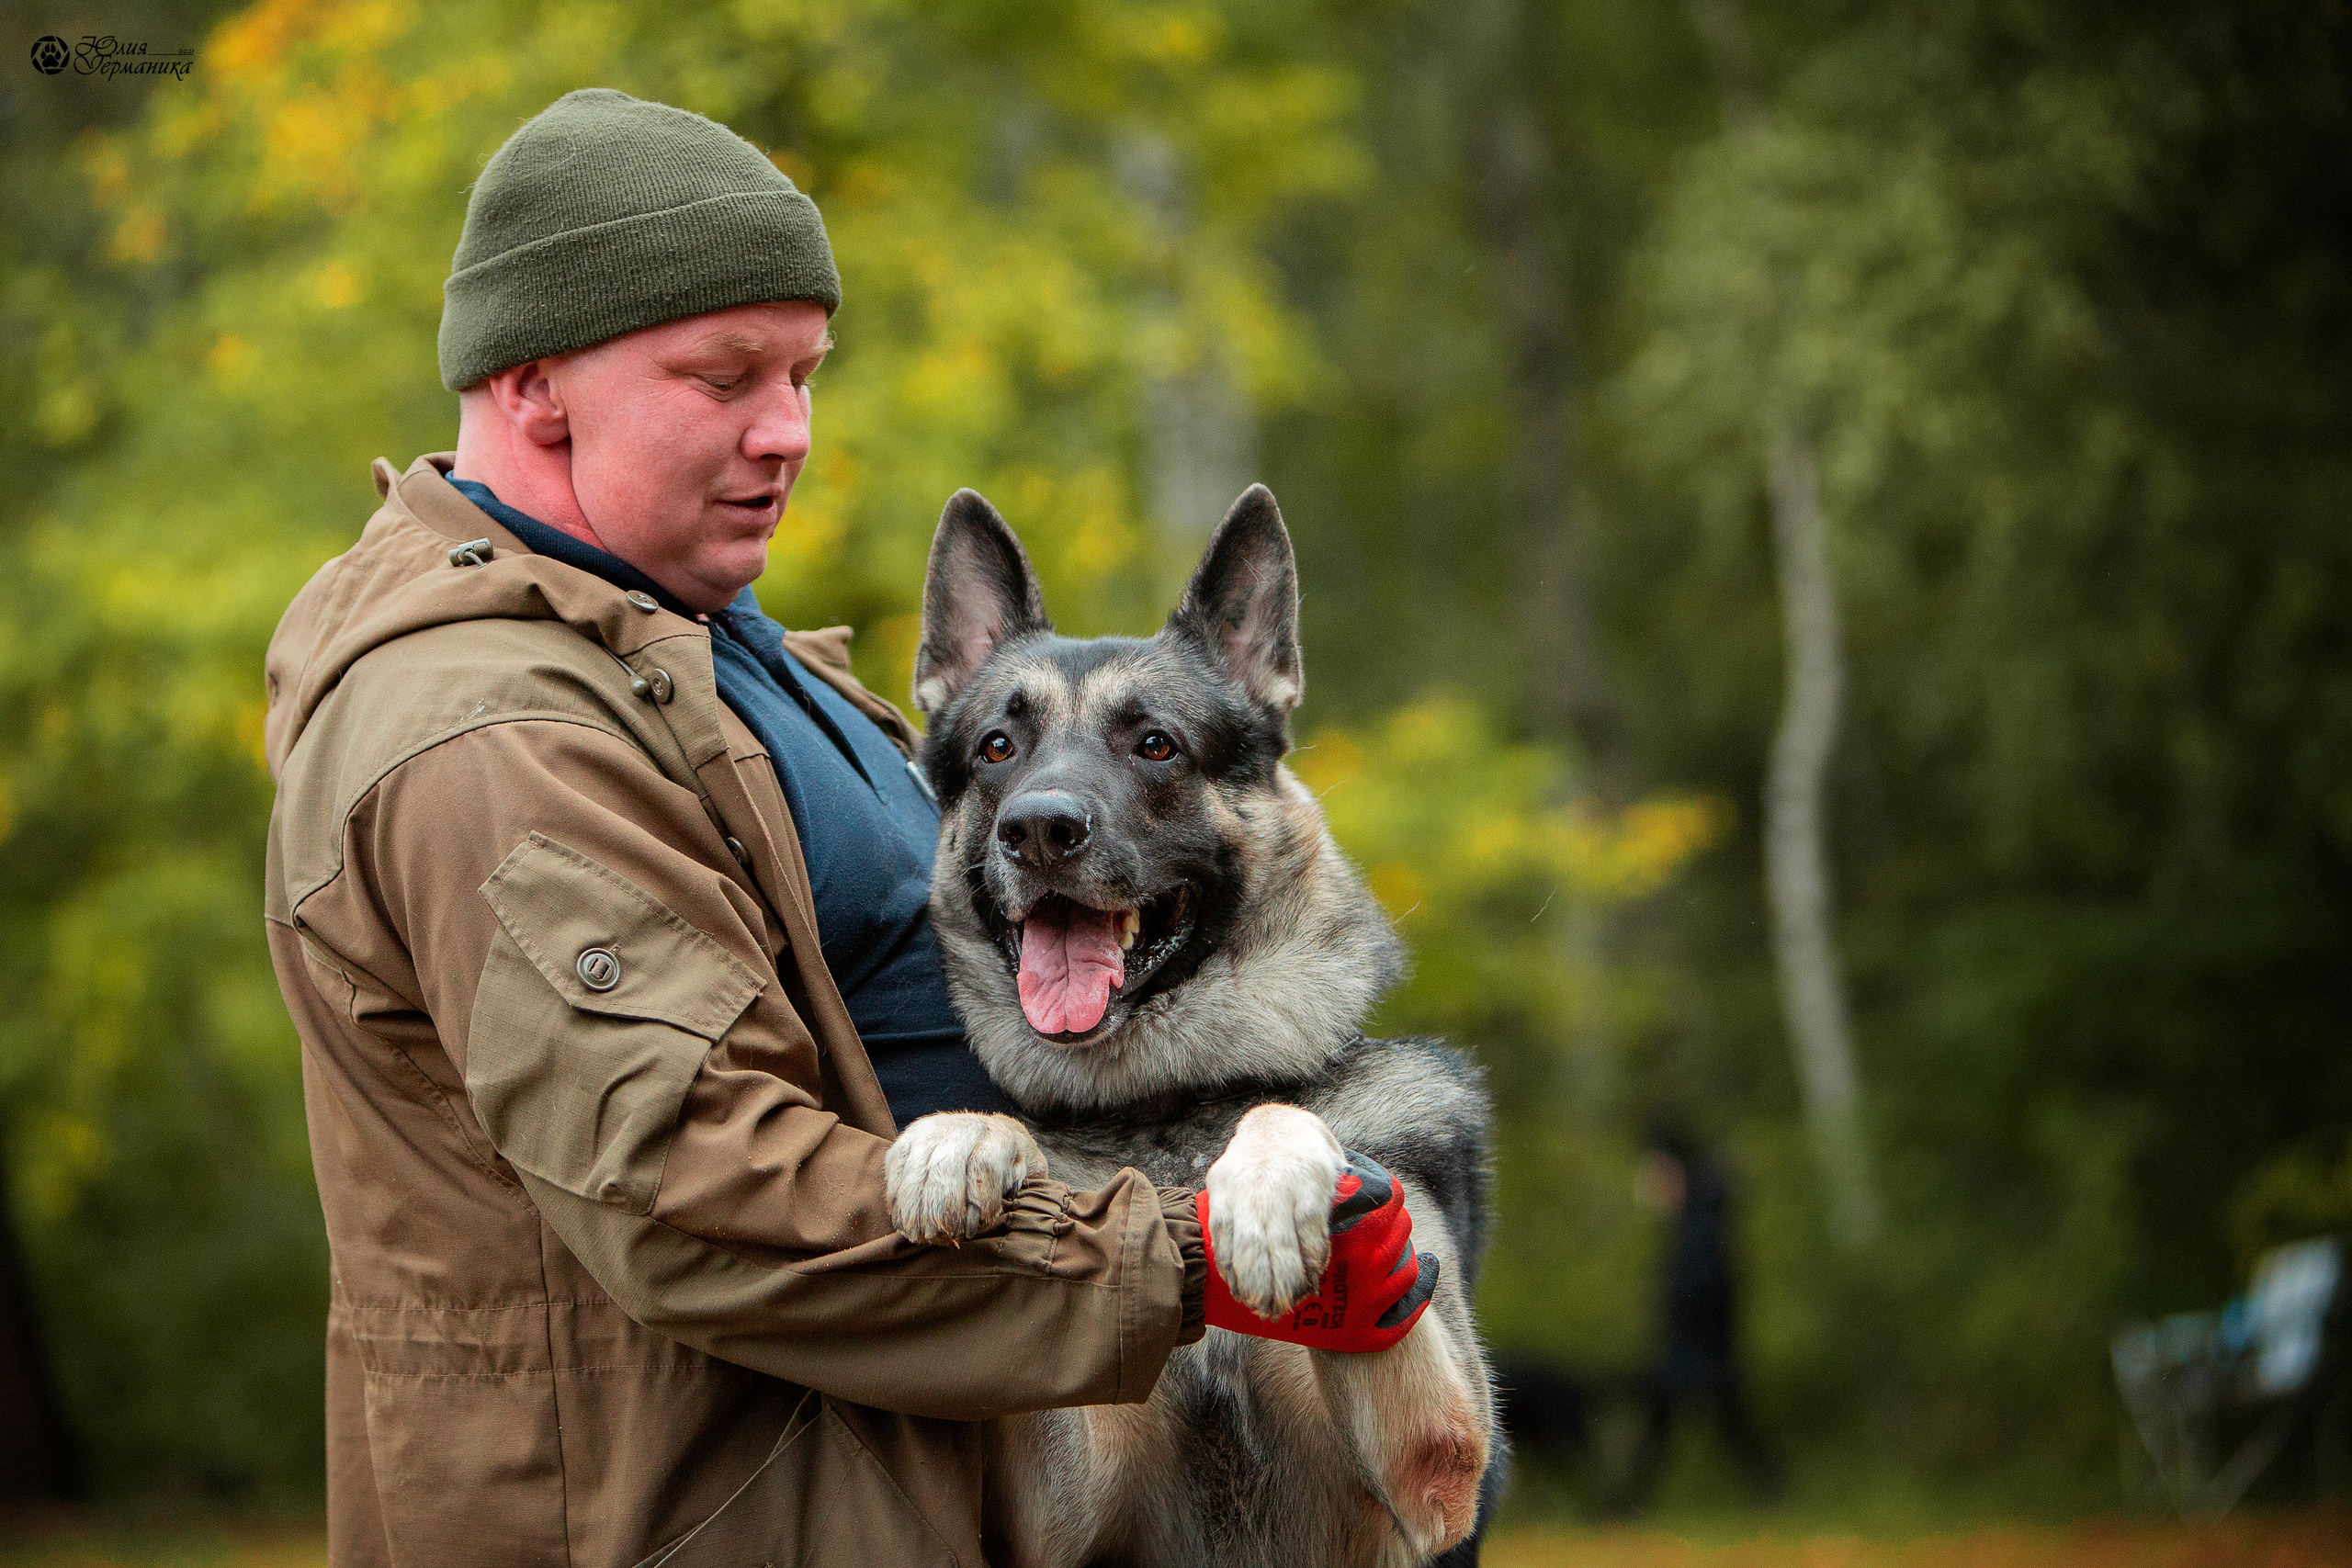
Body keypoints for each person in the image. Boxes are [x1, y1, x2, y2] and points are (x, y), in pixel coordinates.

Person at [261, 89, 1422, 1568]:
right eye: (727, 374)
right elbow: (697, 1190)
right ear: (536, 380)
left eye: (806, 372)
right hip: (702, 1519)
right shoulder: (496, 732)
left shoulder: (698, 645)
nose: (790, 430)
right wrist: (1188, 1259)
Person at [1607, 1124, 1782, 1515]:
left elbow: (1703, 1287)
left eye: (1656, 1172)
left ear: (1675, 1170)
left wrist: (1687, 1342)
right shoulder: (1700, 1216)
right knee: (1708, 1428)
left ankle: (1618, 1510)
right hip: (1699, 1352)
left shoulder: (1700, 1222)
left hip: (1695, 1352)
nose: (1650, 1185)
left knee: (1685, 1427)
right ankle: (1620, 1508)